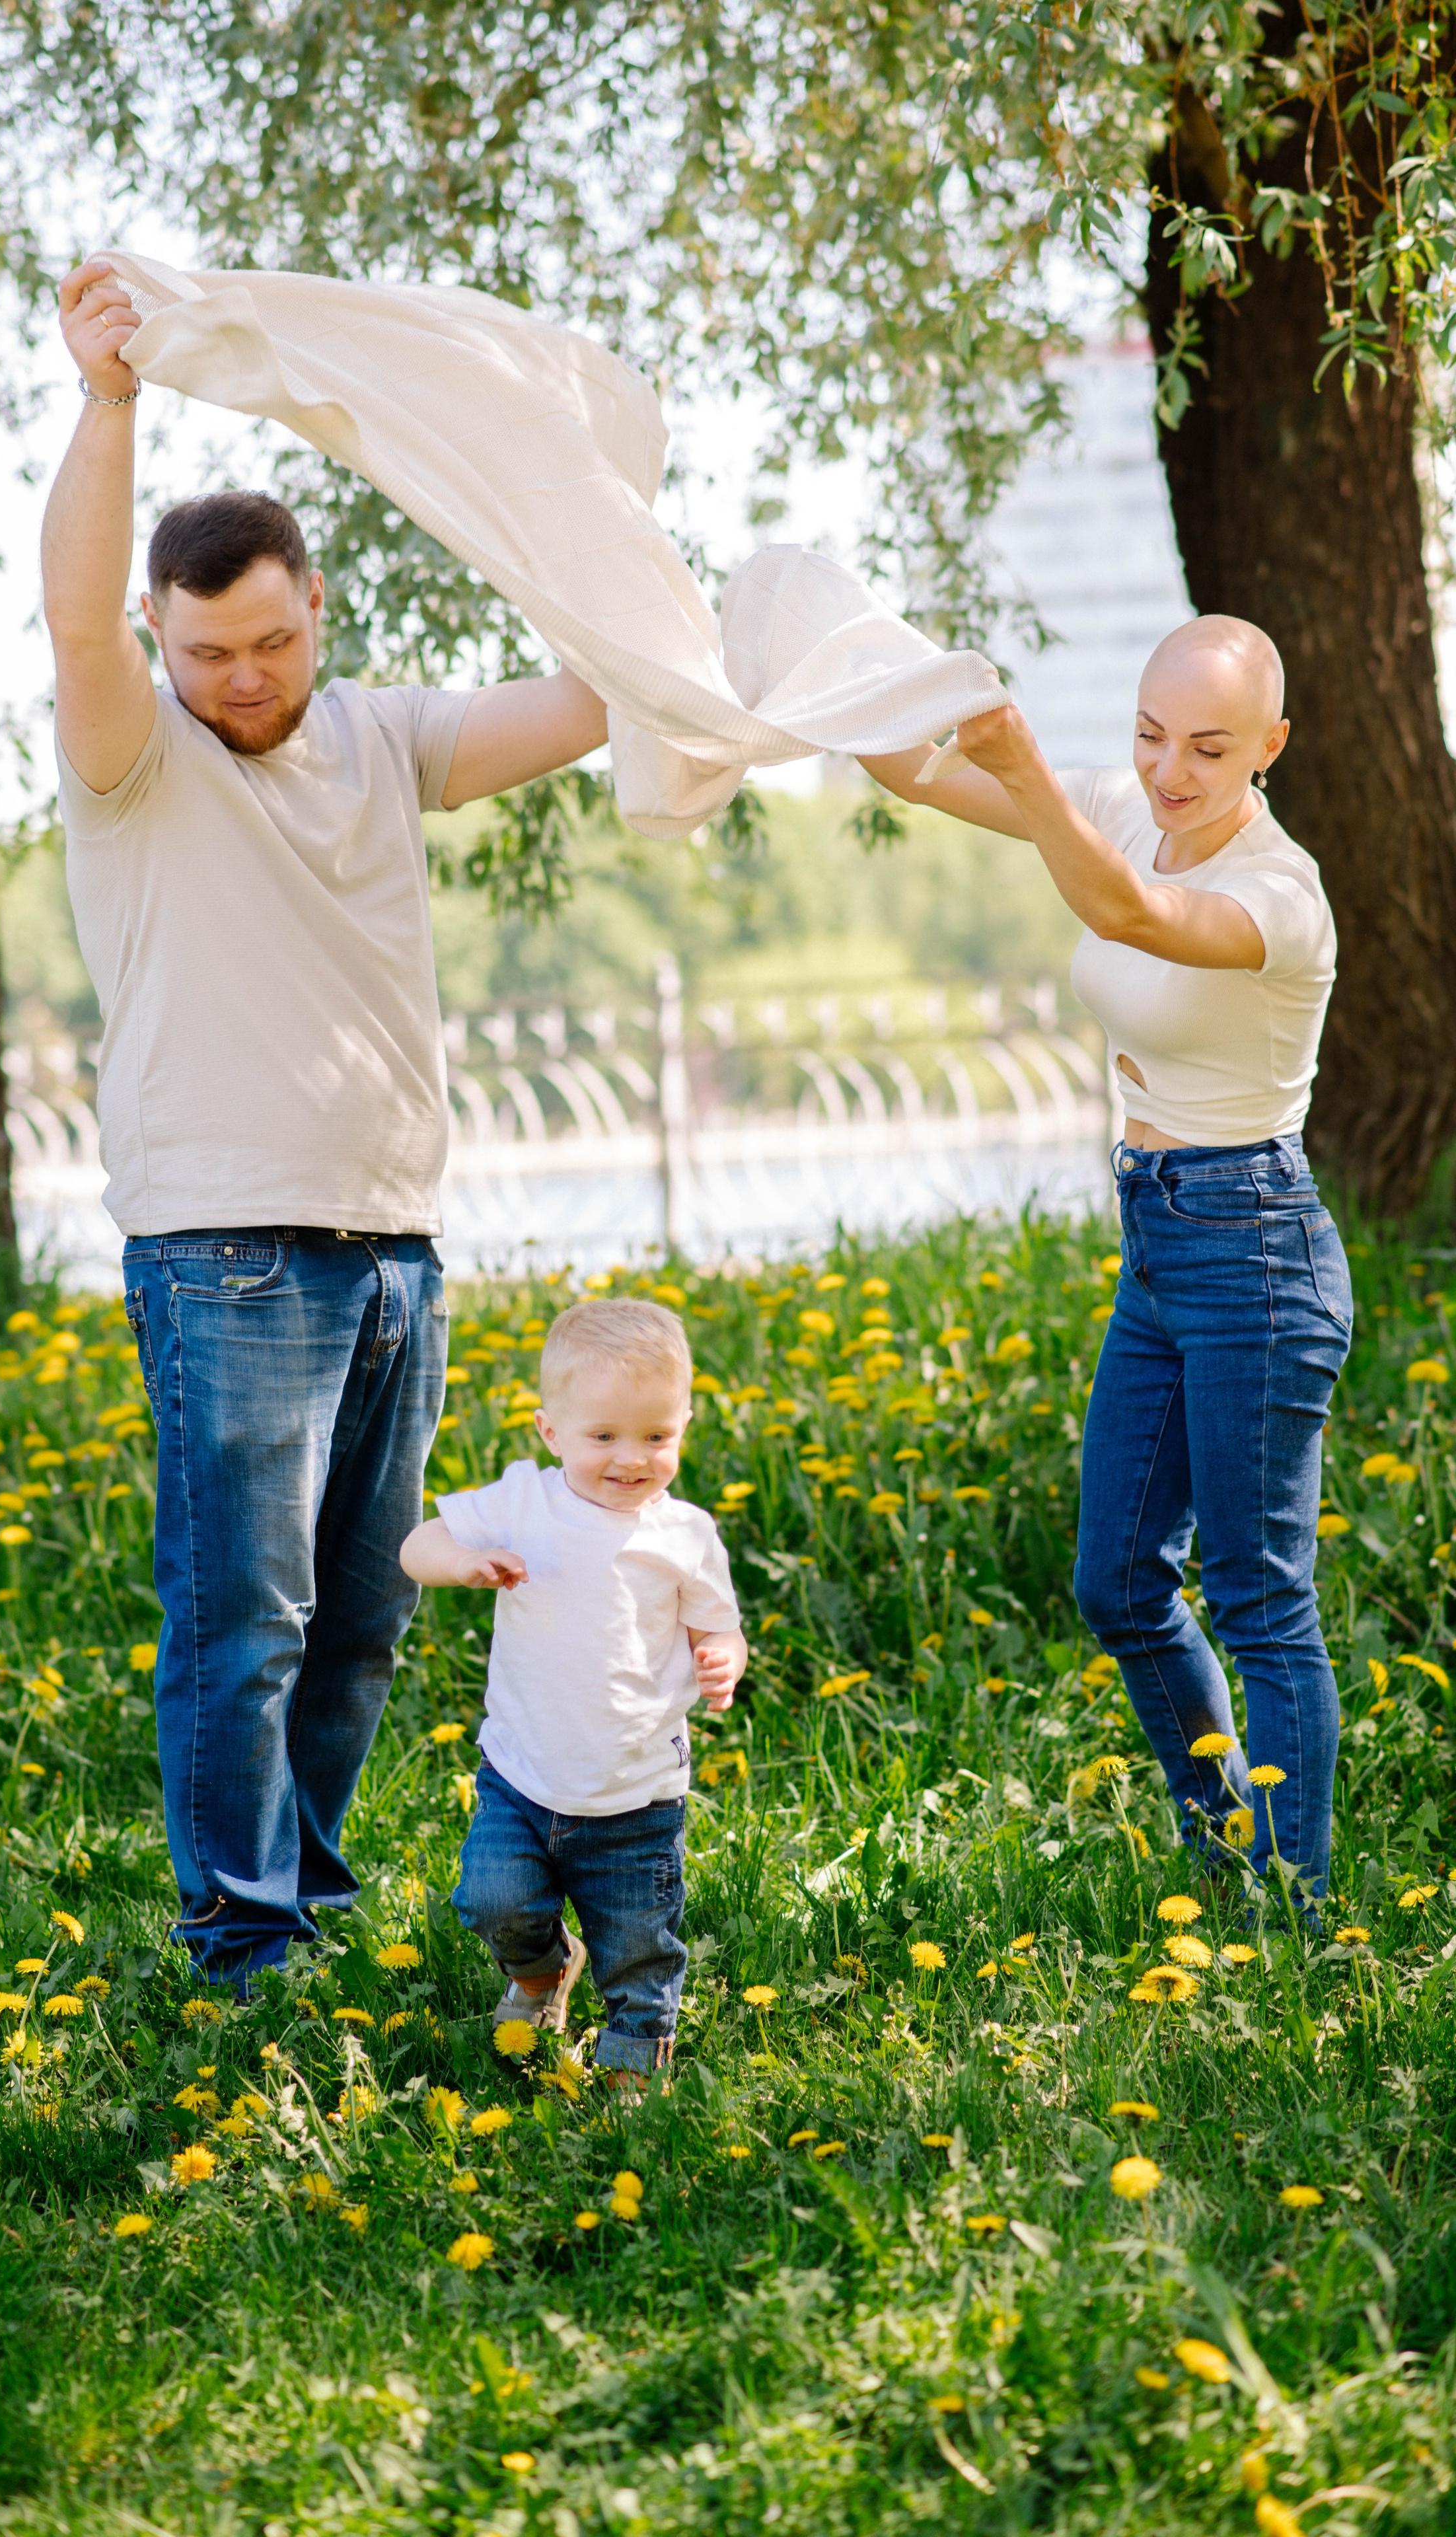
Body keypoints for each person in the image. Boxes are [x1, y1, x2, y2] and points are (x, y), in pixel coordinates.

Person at [41, 258, 611, 1985]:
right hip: (223, 1252)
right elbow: (74, 622)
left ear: (319, 614)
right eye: (207, 650)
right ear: (166, 638)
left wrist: (593, 531)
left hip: (395, 1255)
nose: (244, 677)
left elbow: (592, 704)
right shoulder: (137, 756)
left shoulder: (382, 736)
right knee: (245, 1626)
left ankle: (299, 1892)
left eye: (272, 641)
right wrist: (111, 403)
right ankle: (241, 1944)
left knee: (358, 1624)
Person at [861, 618, 1348, 1905]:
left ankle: (1295, 1922)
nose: (1164, 773)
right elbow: (909, 772)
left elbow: (1123, 910)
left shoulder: (1277, 897)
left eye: (1204, 748)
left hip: (1252, 1246)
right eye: (1145, 737)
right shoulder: (1114, 811)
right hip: (1156, 1237)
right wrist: (804, 680)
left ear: (1269, 748)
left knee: (1257, 1601)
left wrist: (1024, 768)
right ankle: (1222, 1851)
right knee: (1117, 1580)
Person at [399, 1299, 748, 2079]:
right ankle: (543, 1971)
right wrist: (461, 1563)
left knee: (638, 1945)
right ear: (551, 1432)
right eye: (603, 1437)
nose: (631, 1458)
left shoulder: (684, 1535)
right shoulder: (523, 1504)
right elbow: (420, 1543)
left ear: (683, 1426)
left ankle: (633, 2065)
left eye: (656, 1437)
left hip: (637, 1794)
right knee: (494, 1901)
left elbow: (717, 1627)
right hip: (522, 1778)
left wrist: (723, 1657)